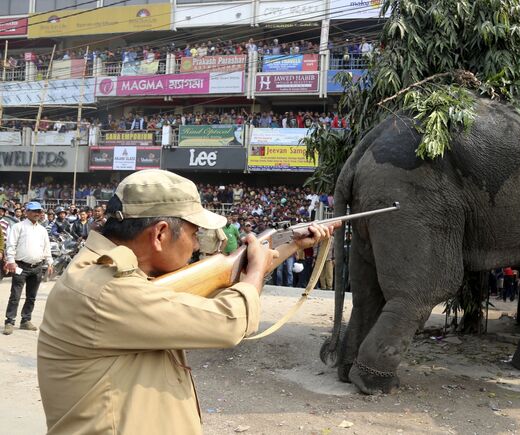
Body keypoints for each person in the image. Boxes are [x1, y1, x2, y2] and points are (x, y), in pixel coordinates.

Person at [37, 170, 336, 434]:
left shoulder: (114, 277)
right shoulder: (106, 288)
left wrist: (290, 244)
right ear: (160, 234)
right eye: (194, 233)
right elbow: (228, 322)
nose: (196, 244)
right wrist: (256, 269)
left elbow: (217, 282)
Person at [3, 202, 53, 335]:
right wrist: (11, 261)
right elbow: (11, 245)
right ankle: (9, 321)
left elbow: (46, 247)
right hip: (20, 266)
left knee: (31, 296)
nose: (37, 213)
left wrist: (49, 262)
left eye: (39, 211)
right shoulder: (18, 227)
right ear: (27, 212)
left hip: (37, 267)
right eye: (34, 211)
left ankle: (25, 320)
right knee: (15, 295)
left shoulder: (42, 230)